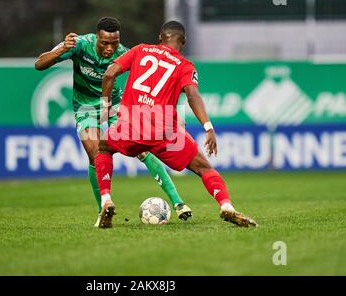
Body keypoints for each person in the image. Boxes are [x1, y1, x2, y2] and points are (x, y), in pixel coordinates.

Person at [95, 20, 258, 229]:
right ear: (184, 42)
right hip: (165, 133)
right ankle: (226, 206)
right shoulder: (185, 66)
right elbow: (193, 95)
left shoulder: (140, 50)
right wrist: (208, 127)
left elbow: (109, 73)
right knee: (204, 168)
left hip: (130, 128)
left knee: (103, 148)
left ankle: (106, 200)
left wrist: (106, 105)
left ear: (160, 38)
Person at [35, 17, 192, 226]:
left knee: (143, 149)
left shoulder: (124, 52)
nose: (110, 48)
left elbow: (154, 82)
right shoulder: (79, 44)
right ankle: (104, 209)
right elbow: (39, 64)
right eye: (104, 43)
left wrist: (171, 113)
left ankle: (178, 202)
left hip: (115, 104)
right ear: (96, 37)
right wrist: (62, 48)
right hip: (86, 107)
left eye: (114, 43)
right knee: (95, 154)